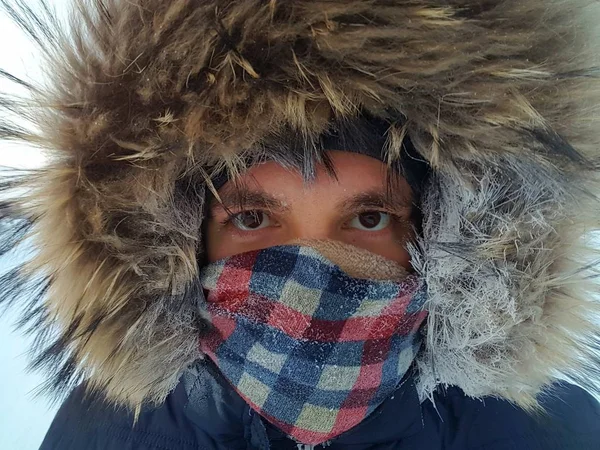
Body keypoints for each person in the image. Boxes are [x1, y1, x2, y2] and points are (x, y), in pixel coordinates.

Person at [1, 0, 600, 449]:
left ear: (447, 237)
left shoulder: (552, 431)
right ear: (182, 245)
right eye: (254, 217)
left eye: (369, 217)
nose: (312, 274)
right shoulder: (107, 431)